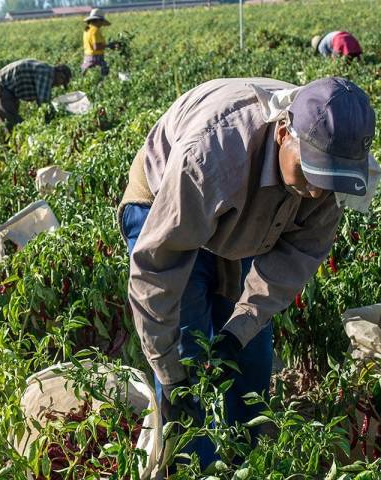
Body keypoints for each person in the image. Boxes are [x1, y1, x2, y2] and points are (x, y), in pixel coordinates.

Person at [118, 77, 376, 467]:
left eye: (329, 180)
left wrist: (238, 331)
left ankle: (244, 459)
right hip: (167, 204)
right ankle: (194, 466)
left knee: (249, 357)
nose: (316, 192)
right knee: (187, 361)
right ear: (284, 132)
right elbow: (157, 272)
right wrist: (170, 375)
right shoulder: (209, 160)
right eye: (311, 172)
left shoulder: (331, 175)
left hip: (244, 213)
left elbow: (295, 258)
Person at [0, 59, 71, 133]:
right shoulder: (47, 73)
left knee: (13, 120)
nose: (58, 85)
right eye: (61, 82)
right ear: (60, 75)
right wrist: (50, 123)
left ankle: (14, 146)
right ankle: (11, 148)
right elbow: (43, 103)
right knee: (10, 121)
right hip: (1, 86)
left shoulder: (46, 71)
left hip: (9, 90)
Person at [81, 8, 118, 77]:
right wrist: (109, 45)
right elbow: (96, 47)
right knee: (103, 77)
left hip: (87, 58)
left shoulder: (87, 29)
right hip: (96, 59)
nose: (101, 24)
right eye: (101, 21)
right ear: (98, 20)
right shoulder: (95, 30)